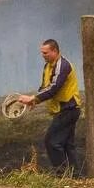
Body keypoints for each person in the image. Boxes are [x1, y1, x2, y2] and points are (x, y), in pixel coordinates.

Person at [17, 38, 82, 175]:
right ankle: (75, 176)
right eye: (42, 53)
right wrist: (34, 101)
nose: (43, 55)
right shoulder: (48, 66)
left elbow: (54, 88)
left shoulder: (62, 66)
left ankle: (61, 174)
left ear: (55, 51)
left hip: (68, 109)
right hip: (62, 110)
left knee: (52, 141)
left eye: (45, 53)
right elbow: (44, 87)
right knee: (67, 144)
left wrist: (34, 98)